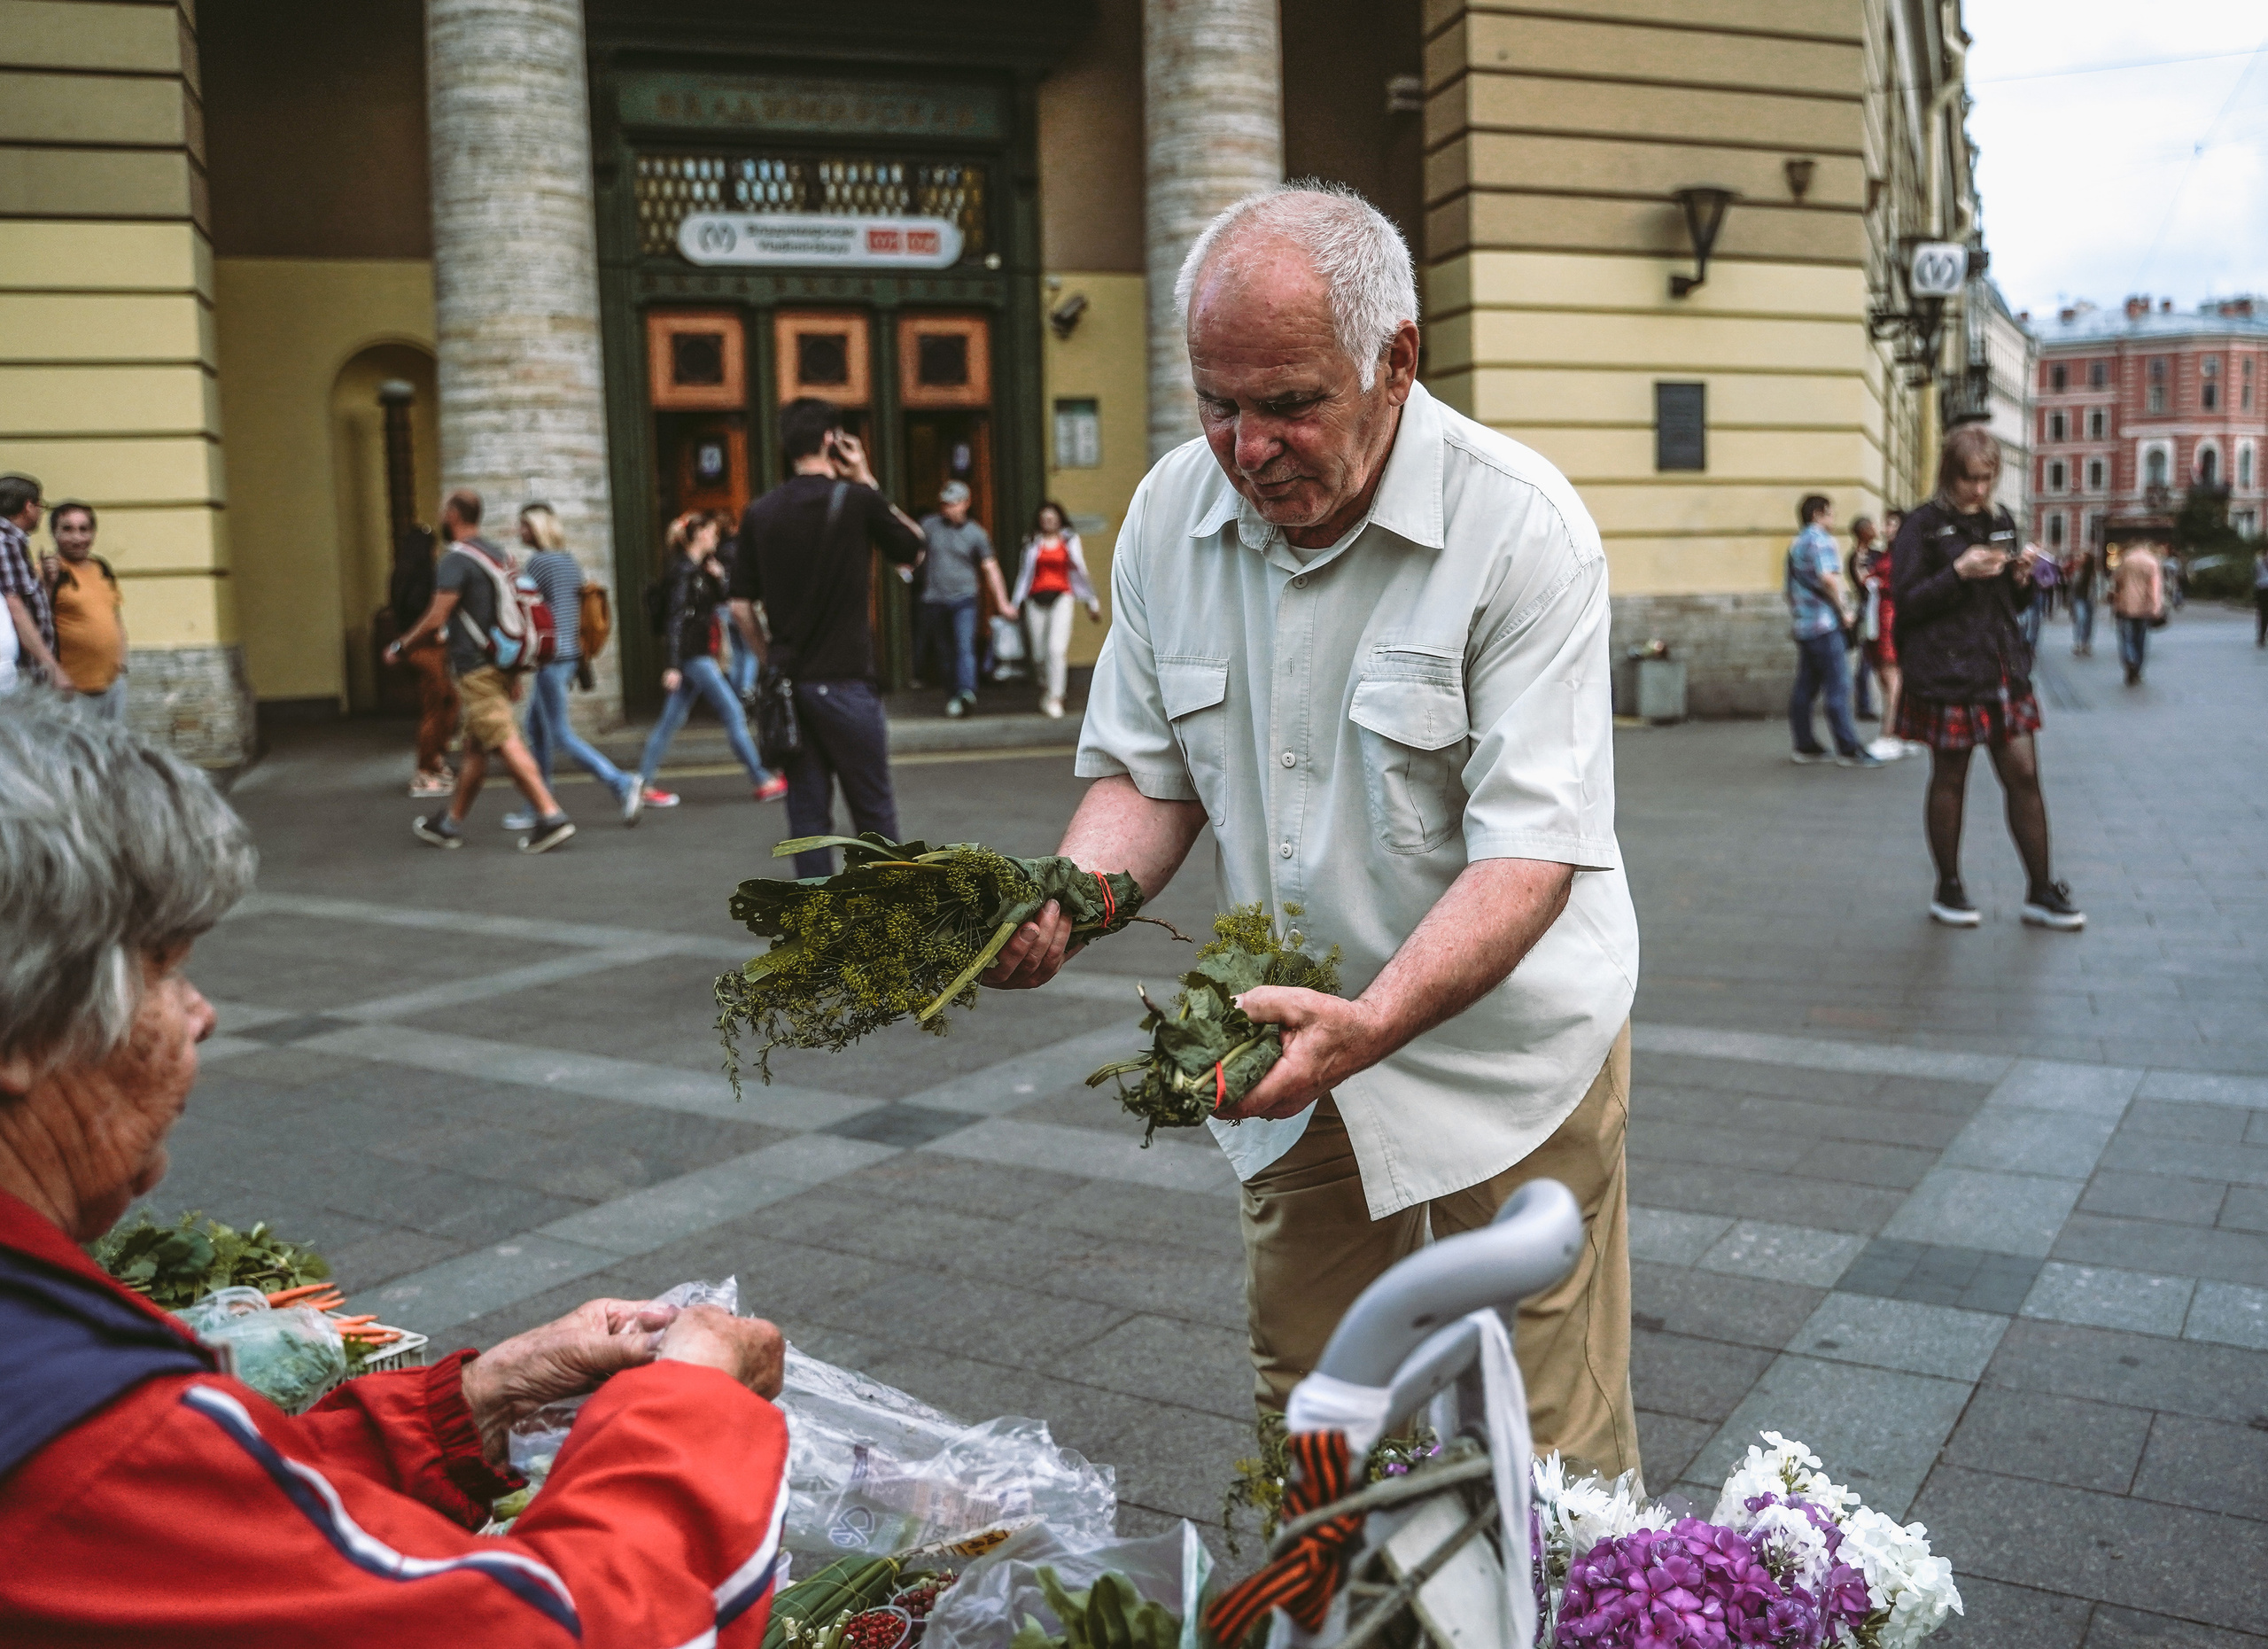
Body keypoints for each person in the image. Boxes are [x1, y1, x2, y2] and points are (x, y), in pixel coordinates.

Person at [981, 184, 1643, 1475]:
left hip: (1510, 1058)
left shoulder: (1524, 527)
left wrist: (1376, 1022)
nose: (1248, 445)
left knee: (1545, 1454)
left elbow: (1532, 854)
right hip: (1292, 1046)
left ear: (1397, 361)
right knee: (1320, 1423)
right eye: (1217, 403)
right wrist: (1059, 905)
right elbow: (1149, 779)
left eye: (1290, 403)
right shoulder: (1169, 517)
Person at [0, 698, 794, 1645]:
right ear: (23, 1026)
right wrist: (688, 1405)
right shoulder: (73, 1433)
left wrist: (480, 1397)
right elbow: (565, 1630)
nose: (199, 1013)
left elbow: (246, 1535)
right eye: (165, 968)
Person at [1890, 424, 2083, 930]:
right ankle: (1948, 887)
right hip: (1947, 669)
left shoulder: (2001, 520)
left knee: (2024, 775)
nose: (1978, 489)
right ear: (1949, 474)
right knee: (1951, 776)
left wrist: (2021, 580)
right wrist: (1957, 572)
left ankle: (2041, 890)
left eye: (1987, 478)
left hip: (2000, 667)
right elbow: (1905, 603)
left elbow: (2009, 605)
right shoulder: (1923, 526)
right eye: (1969, 479)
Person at [729, 400, 926, 877]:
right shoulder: (857, 500)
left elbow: (739, 607)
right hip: (846, 684)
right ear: (830, 440)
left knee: (808, 818)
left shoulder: (760, 512)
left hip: (792, 687)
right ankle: (887, 921)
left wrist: (770, 658)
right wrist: (866, 478)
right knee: (873, 814)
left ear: (786, 445)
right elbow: (913, 548)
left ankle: (819, 928)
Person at [384, 489, 575, 853]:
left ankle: (551, 815)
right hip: (500, 664)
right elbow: (507, 614)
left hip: (476, 668)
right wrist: (515, 674)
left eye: (443, 510)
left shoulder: (456, 560)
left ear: (454, 515)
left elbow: (437, 616)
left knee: (504, 738)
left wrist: (400, 646)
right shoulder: (497, 554)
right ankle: (449, 823)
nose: (441, 516)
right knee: (475, 747)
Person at [631, 511, 788, 823]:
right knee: (732, 712)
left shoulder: (698, 569)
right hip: (694, 656)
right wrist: (673, 665)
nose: (715, 536)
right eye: (710, 531)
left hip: (697, 654)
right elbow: (676, 620)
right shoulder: (682, 572)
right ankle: (763, 779)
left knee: (669, 721)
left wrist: (718, 578)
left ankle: (641, 783)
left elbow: (720, 601)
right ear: (697, 535)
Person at [502, 503, 639, 832]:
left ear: (536, 529)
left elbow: (521, 606)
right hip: (569, 656)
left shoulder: (539, 563)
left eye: (524, 526)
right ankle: (539, 803)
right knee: (537, 730)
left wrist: (510, 575)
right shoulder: (567, 561)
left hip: (551, 658)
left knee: (560, 734)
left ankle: (621, 782)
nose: (519, 532)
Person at [1785, 494, 1883, 768]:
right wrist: (1844, 611)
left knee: (1805, 685)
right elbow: (1829, 578)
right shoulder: (1821, 540)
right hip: (1826, 625)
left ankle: (1805, 745)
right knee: (1838, 686)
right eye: (1830, 514)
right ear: (1818, 514)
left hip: (1805, 625)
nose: (1833, 520)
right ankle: (1848, 748)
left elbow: (1790, 589)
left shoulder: (1796, 544)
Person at [917, 480, 1009, 718]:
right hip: (934, 598)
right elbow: (911, 549)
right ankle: (953, 695)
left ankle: (967, 692)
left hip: (964, 598)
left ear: (966, 504)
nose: (949, 509)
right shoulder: (929, 526)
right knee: (944, 652)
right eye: (945, 504)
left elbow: (991, 568)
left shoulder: (976, 533)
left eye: (954, 504)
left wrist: (1002, 602)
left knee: (964, 646)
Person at [1008, 501, 1102, 719]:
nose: (1048, 522)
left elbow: (1081, 570)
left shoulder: (1070, 540)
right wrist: (1014, 604)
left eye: (1052, 518)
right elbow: (1024, 575)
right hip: (1035, 599)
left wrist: (1092, 602)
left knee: (1056, 650)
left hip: (1062, 596)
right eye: (1044, 519)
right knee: (1039, 655)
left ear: (1059, 519)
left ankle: (1056, 697)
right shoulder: (1032, 540)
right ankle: (1046, 687)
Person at [388, 523, 458, 798]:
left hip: (413, 647)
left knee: (448, 700)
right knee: (436, 705)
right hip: (425, 647)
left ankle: (435, 760)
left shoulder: (399, 573)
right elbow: (425, 611)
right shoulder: (424, 575)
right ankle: (425, 770)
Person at [44, 501, 128, 719]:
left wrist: (121, 662)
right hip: (70, 690)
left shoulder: (101, 568)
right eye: (68, 529)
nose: (77, 537)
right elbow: (36, 622)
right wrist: (48, 583)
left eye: (84, 529)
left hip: (111, 684)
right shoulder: (50, 572)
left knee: (112, 749)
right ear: (54, 533)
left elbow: (115, 617)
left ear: (93, 533)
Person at [0, 472, 64, 690]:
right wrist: (51, 666)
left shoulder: (13, 541)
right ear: (29, 507)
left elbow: (27, 604)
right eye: (41, 506)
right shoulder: (6, 542)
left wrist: (47, 583)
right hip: (19, 674)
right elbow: (14, 606)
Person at [2109, 539, 2163, 687]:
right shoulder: (2152, 562)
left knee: (2126, 637)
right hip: (2144, 608)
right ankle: (2137, 667)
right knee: (2141, 639)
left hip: (2125, 605)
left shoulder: (2126, 560)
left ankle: (2129, 659)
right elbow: (2155, 587)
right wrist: (2155, 607)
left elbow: (2117, 581)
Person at [2069, 545, 2099, 657]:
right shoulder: (2077, 570)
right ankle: (2077, 643)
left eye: (2082, 556)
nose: (2079, 558)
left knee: (2089, 622)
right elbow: (2072, 587)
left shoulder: (2093, 572)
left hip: (2089, 599)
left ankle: (2086, 643)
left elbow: (2097, 587)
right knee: (2081, 619)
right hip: (2078, 598)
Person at [2253, 543, 2268, 648]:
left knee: (2263, 614)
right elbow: (2255, 576)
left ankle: (2262, 636)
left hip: (2262, 589)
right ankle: (2261, 636)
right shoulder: (2259, 563)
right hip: (2263, 590)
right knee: (2264, 614)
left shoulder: (2259, 562)